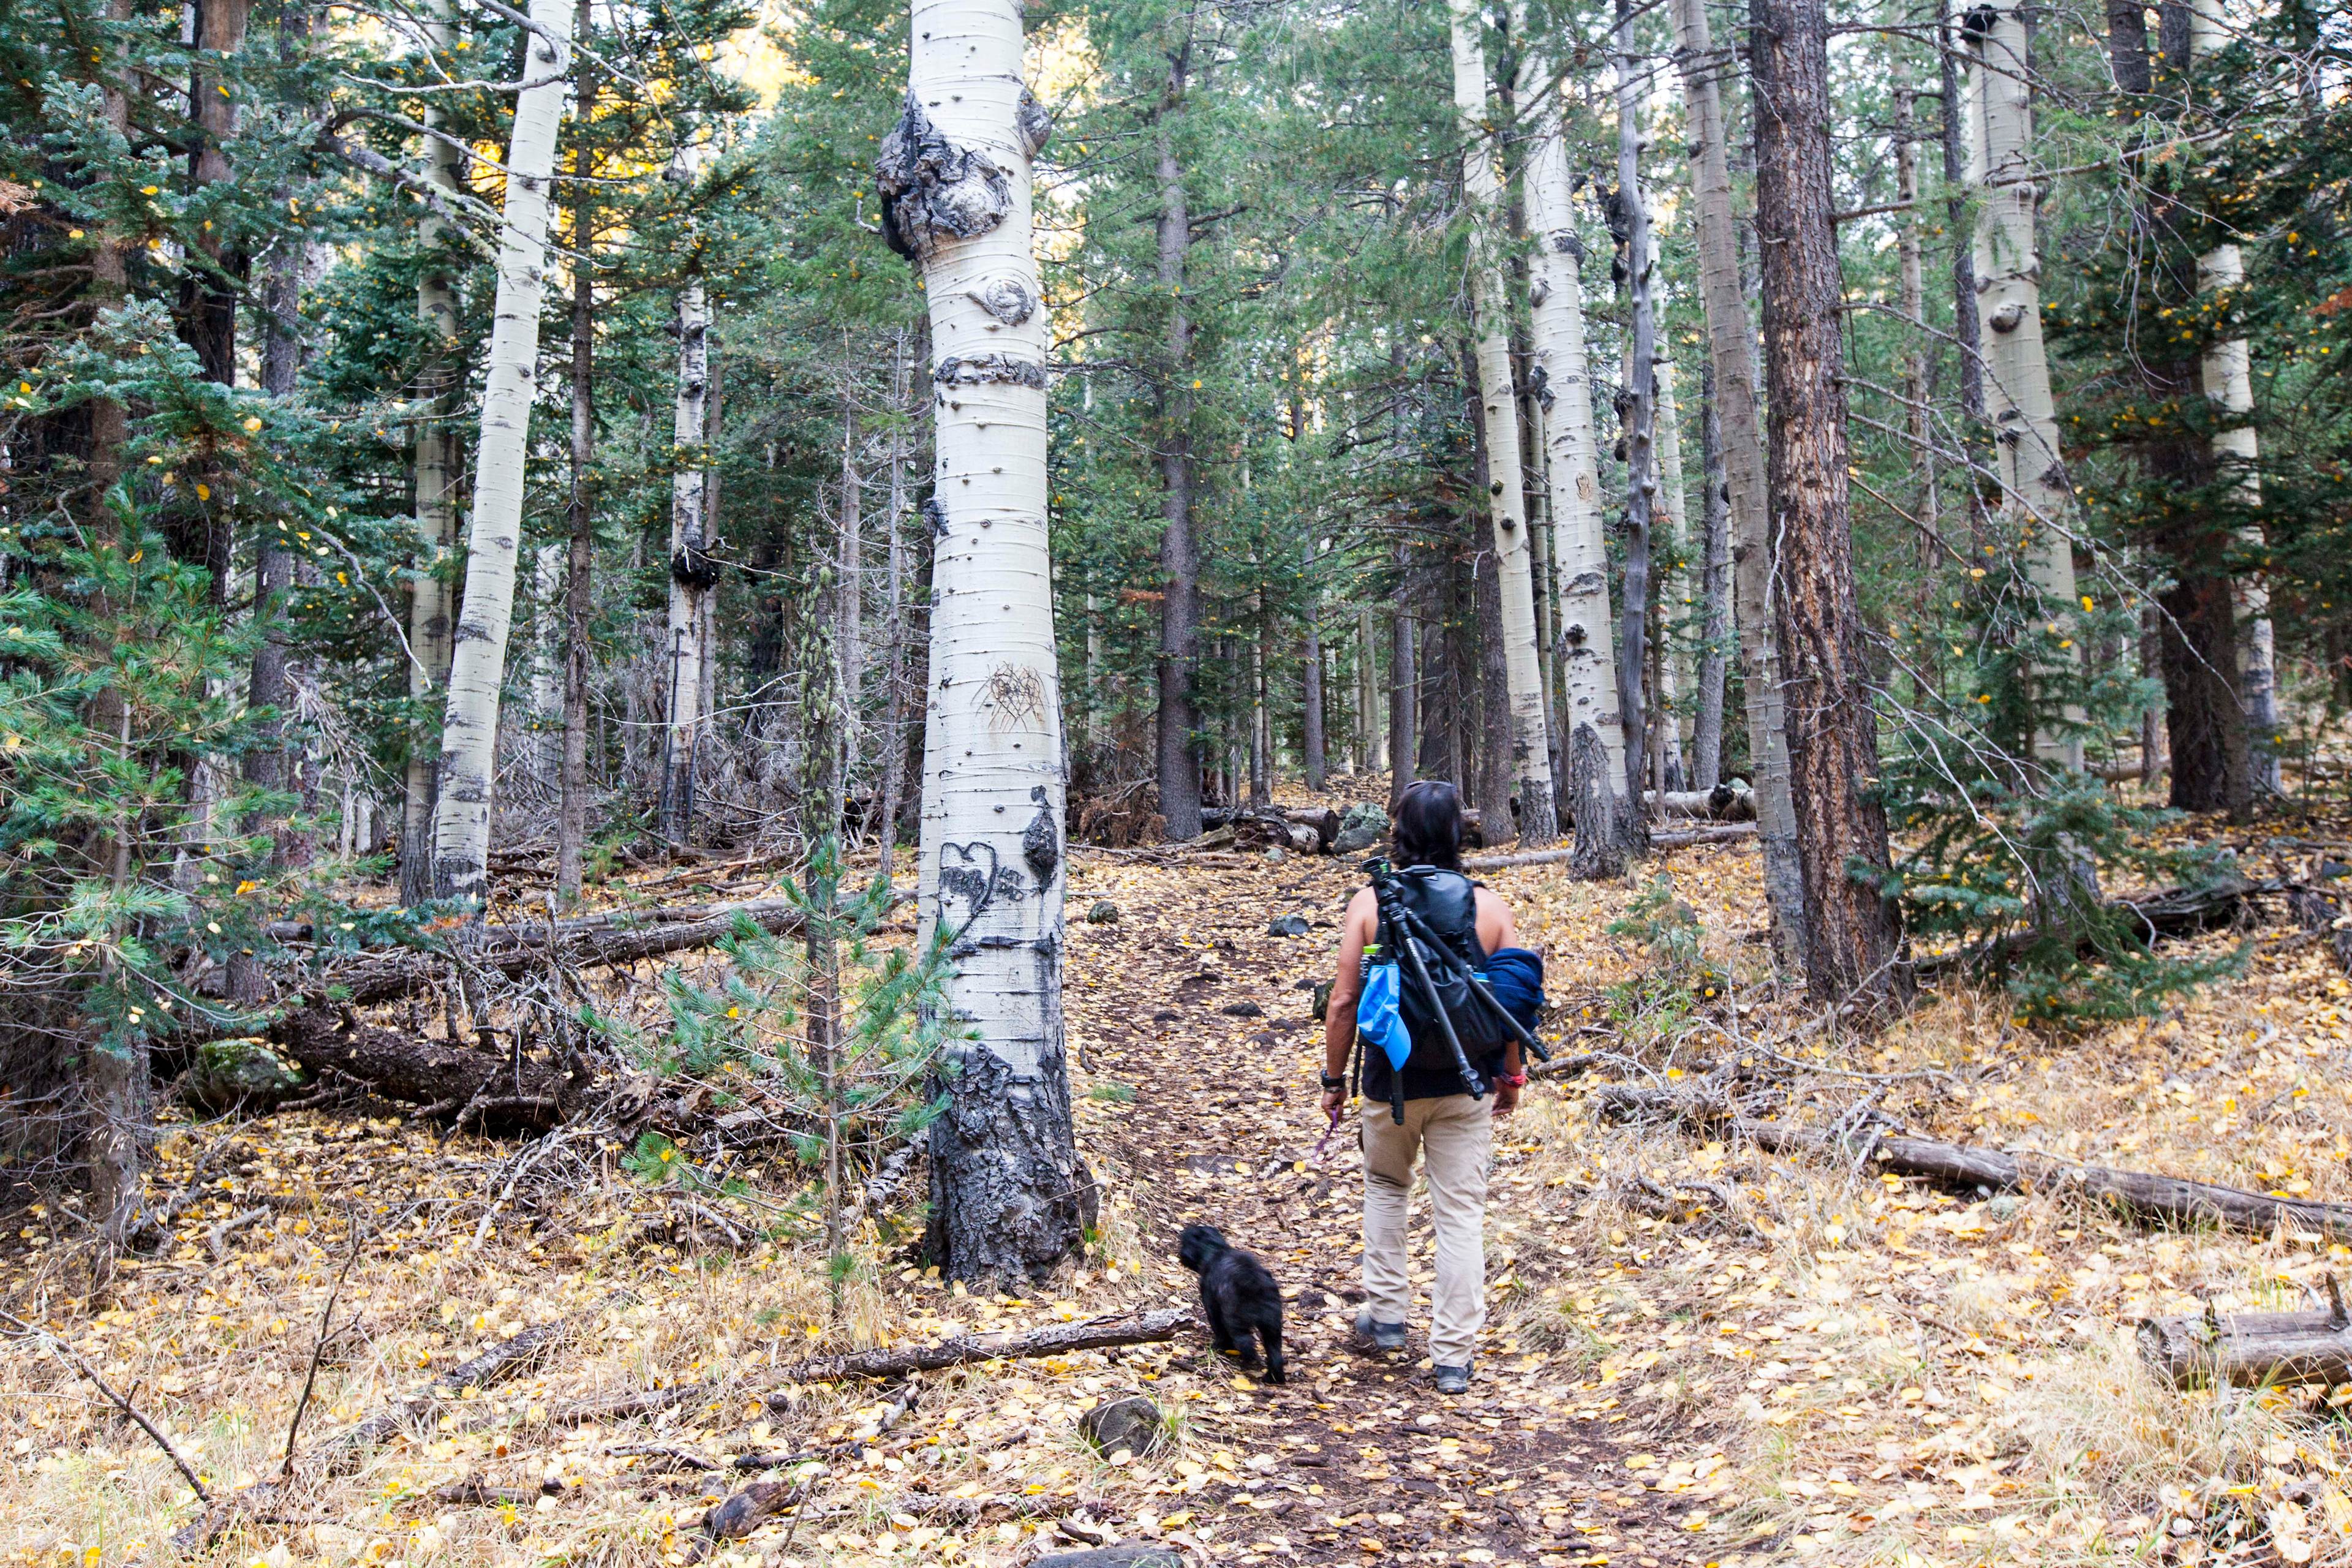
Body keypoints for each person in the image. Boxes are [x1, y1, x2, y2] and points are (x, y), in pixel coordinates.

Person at [1317, 780, 1526, 1395]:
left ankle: (1385, 1316)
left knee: (1385, 1186)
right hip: (1467, 1082)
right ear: (1458, 833)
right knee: (1460, 1214)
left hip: (1391, 1079)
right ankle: (1454, 1355)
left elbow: (1343, 1002)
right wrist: (1510, 1075)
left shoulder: (1370, 902)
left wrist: (1333, 1080)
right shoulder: (1490, 909)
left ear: (1399, 832)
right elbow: (1510, 1004)